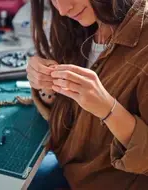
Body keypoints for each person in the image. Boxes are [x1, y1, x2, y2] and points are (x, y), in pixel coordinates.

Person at [27, 0, 148, 189]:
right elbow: (74, 118)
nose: (63, 9)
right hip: (69, 171)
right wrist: (47, 86)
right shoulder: (82, 26)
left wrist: (109, 109)